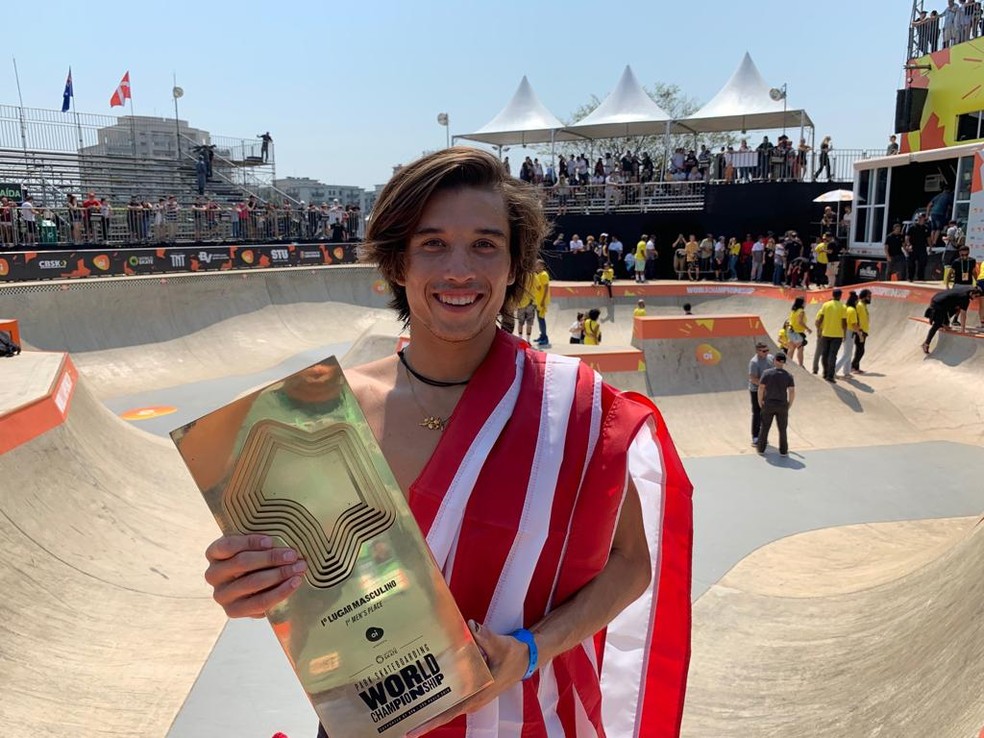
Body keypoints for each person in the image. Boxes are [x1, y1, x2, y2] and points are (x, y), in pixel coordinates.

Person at [200, 147, 693, 737]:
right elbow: (314, 593)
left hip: (524, 720)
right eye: (432, 244)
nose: (460, 270)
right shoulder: (323, 420)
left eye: (485, 244)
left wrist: (533, 648)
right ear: (397, 263)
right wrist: (252, 584)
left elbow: (631, 564)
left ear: (514, 266)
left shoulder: (575, 407)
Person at [755, 352, 795, 456]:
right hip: (782, 405)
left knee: (765, 427)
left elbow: (761, 388)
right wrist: (789, 404)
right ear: (783, 363)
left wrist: (760, 401)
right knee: (782, 429)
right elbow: (791, 391)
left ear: (775, 361)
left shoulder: (767, 373)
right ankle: (783, 451)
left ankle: (761, 449)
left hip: (768, 404)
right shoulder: (788, 375)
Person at [923, 285, 982, 352]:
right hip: (939, 304)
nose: (975, 298)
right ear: (972, 293)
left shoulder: (967, 288)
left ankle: (944, 323)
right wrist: (963, 330)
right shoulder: (965, 298)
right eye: (975, 296)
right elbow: (963, 315)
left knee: (957, 307)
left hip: (937, 298)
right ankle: (926, 343)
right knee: (937, 324)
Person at [814, 289, 847, 382]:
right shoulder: (843, 306)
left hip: (826, 333)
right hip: (837, 335)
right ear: (840, 296)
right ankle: (830, 376)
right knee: (833, 355)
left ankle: (825, 373)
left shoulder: (826, 305)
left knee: (825, 354)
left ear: (832, 295)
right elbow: (844, 323)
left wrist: (819, 330)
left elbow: (820, 319)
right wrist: (844, 333)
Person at [748, 342, 774, 446]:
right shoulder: (754, 362)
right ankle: (755, 437)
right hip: (756, 390)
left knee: (766, 413)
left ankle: (763, 435)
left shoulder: (770, 358)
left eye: (767, 350)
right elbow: (753, 378)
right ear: (757, 351)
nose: (766, 353)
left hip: (768, 390)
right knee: (757, 413)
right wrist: (764, 385)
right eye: (764, 351)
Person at [835, 291, 860, 378]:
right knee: (847, 354)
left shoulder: (845, 308)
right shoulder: (852, 310)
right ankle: (834, 370)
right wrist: (859, 333)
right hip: (850, 332)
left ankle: (846, 371)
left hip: (844, 331)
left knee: (848, 353)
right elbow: (854, 324)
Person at [851, 289, 872, 373]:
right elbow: (856, 317)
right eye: (868, 296)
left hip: (864, 331)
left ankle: (856, 367)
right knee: (860, 350)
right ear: (864, 297)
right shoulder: (859, 305)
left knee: (859, 350)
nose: (870, 298)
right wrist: (859, 330)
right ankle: (853, 366)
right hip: (860, 331)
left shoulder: (864, 305)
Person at [786, 296, 811, 367]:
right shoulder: (801, 311)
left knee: (791, 348)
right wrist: (808, 328)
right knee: (800, 349)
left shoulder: (793, 311)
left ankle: (788, 364)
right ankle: (801, 365)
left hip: (790, 331)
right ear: (802, 303)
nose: (805, 303)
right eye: (804, 302)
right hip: (797, 333)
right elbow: (800, 322)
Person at [905, 213, 931, 281]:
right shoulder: (912, 227)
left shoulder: (926, 228)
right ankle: (910, 278)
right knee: (911, 263)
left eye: (922, 218)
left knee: (922, 263)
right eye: (919, 218)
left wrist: (930, 246)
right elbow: (907, 237)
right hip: (913, 247)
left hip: (922, 247)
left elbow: (928, 238)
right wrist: (908, 245)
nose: (920, 219)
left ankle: (920, 278)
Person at [532, 259, 551, 347]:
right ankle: (542, 336)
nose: (536, 267)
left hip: (542, 301)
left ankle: (545, 338)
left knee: (541, 319)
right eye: (536, 265)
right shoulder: (538, 275)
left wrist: (543, 300)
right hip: (538, 301)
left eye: (538, 265)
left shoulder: (544, 275)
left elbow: (546, 288)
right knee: (539, 320)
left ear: (542, 266)